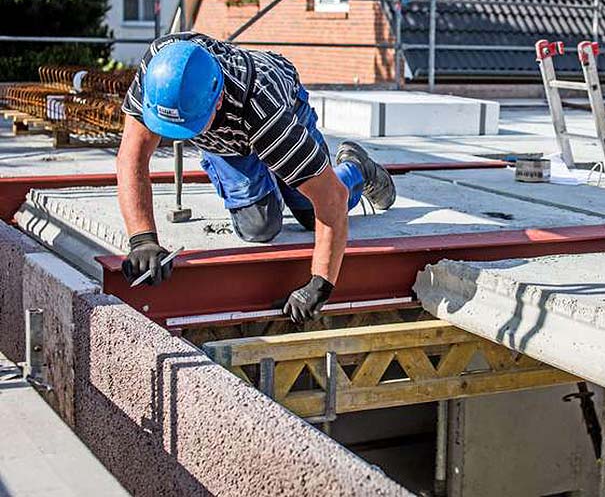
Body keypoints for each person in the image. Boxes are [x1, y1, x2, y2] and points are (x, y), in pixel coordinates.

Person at [116, 32, 396, 323]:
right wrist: (143, 240)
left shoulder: (267, 114)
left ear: (219, 99)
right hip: (226, 138)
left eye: (188, 127)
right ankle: (275, 174)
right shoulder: (160, 71)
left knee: (310, 213)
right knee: (259, 228)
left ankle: (355, 168)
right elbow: (132, 157)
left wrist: (320, 284)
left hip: (273, 108)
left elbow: (331, 199)